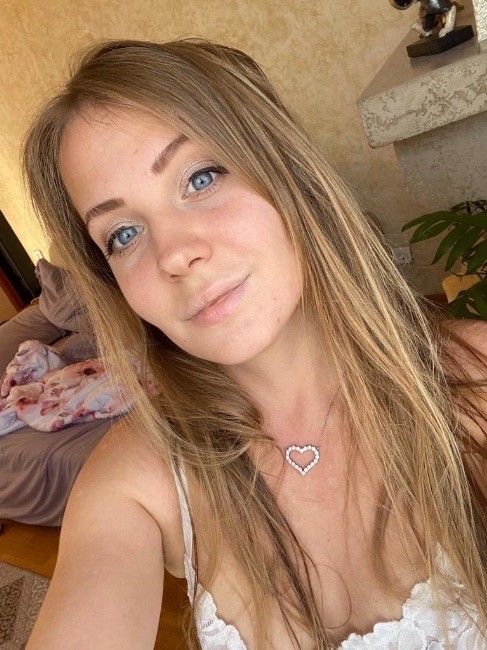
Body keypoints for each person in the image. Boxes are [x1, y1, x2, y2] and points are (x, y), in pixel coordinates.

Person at [23, 39, 487, 649]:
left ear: (286, 169)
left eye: (201, 178)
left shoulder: (477, 380)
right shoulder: (132, 481)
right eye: (124, 234)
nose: (174, 255)